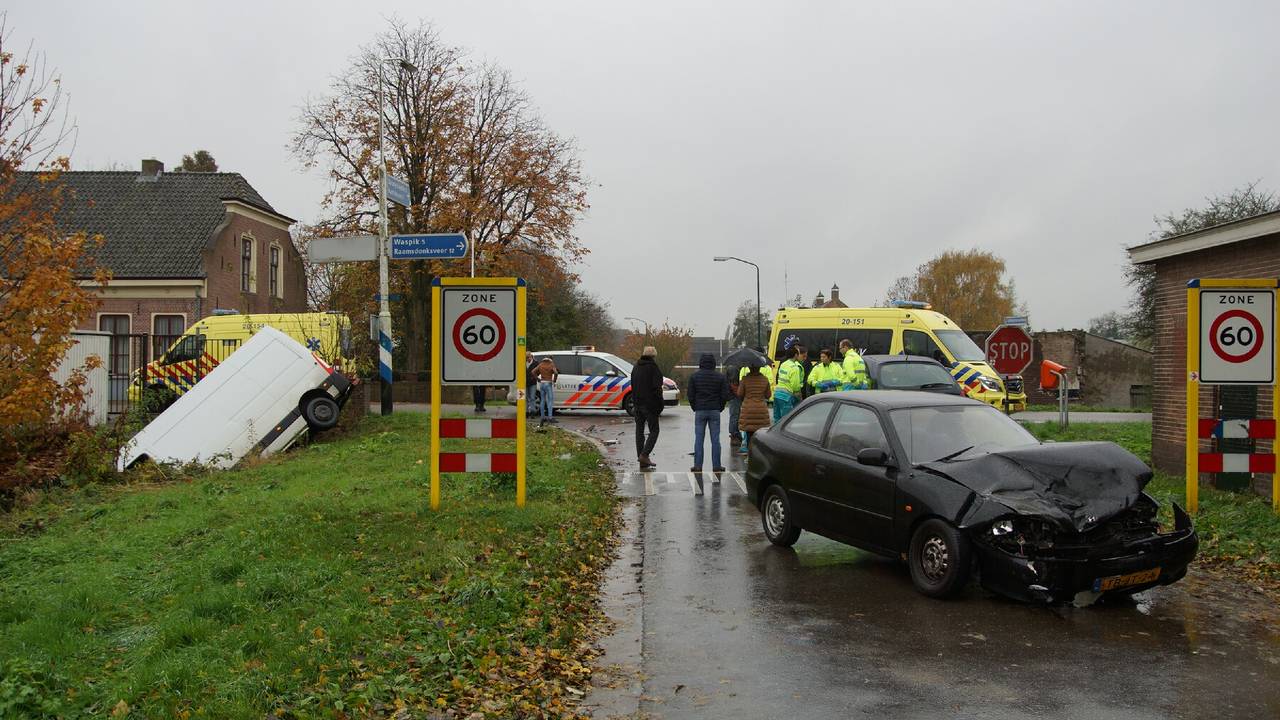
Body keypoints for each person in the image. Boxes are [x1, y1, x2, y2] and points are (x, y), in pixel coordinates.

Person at [686, 352, 732, 472]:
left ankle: (697, 466)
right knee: (715, 440)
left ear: (701, 363)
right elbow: (724, 395)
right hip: (714, 410)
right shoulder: (720, 377)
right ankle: (716, 466)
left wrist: (695, 406)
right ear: (713, 363)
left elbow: (690, 395)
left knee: (699, 439)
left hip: (700, 410)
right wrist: (720, 407)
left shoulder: (694, 377)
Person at [630, 346, 664, 469]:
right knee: (654, 430)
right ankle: (644, 455)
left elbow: (632, 385)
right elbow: (657, 389)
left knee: (639, 431)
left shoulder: (636, 367)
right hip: (650, 405)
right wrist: (660, 405)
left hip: (637, 404)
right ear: (654, 356)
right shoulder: (653, 368)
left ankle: (641, 459)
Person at [737, 362, 772, 453]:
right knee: (760, 434)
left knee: (749, 433)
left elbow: (739, 394)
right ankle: (758, 456)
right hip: (761, 410)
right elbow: (768, 395)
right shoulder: (765, 380)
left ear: (749, 368)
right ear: (760, 368)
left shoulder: (745, 379)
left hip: (748, 410)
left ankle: (749, 455)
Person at [773, 346, 805, 421]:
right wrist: (799, 397)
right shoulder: (794, 367)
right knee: (785, 421)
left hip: (777, 394)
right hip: (786, 397)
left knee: (777, 419)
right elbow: (795, 386)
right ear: (795, 355)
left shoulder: (783, 364)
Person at [533, 356, 559, 425]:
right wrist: (554, 380)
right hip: (548, 383)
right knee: (550, 400)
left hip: (542, 383)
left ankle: (542, 417)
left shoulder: (541, 364)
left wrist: (538, 379)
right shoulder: (551, 364)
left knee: (542, 400)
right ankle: (550, 417)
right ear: (551, 359)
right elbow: (556, 373)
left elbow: (533, 372)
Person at [524, 351, 539, 416]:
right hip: (525, 383)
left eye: (528, 357)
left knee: (532, 397)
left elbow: (538, 371)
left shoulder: (535, 363)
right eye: (526, 357)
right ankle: (526, 412)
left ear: (531, 356)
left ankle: (533, 412)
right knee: (526, 398)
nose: (527, 359)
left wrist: (534, 377)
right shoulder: (523, 362)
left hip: (533, 383)